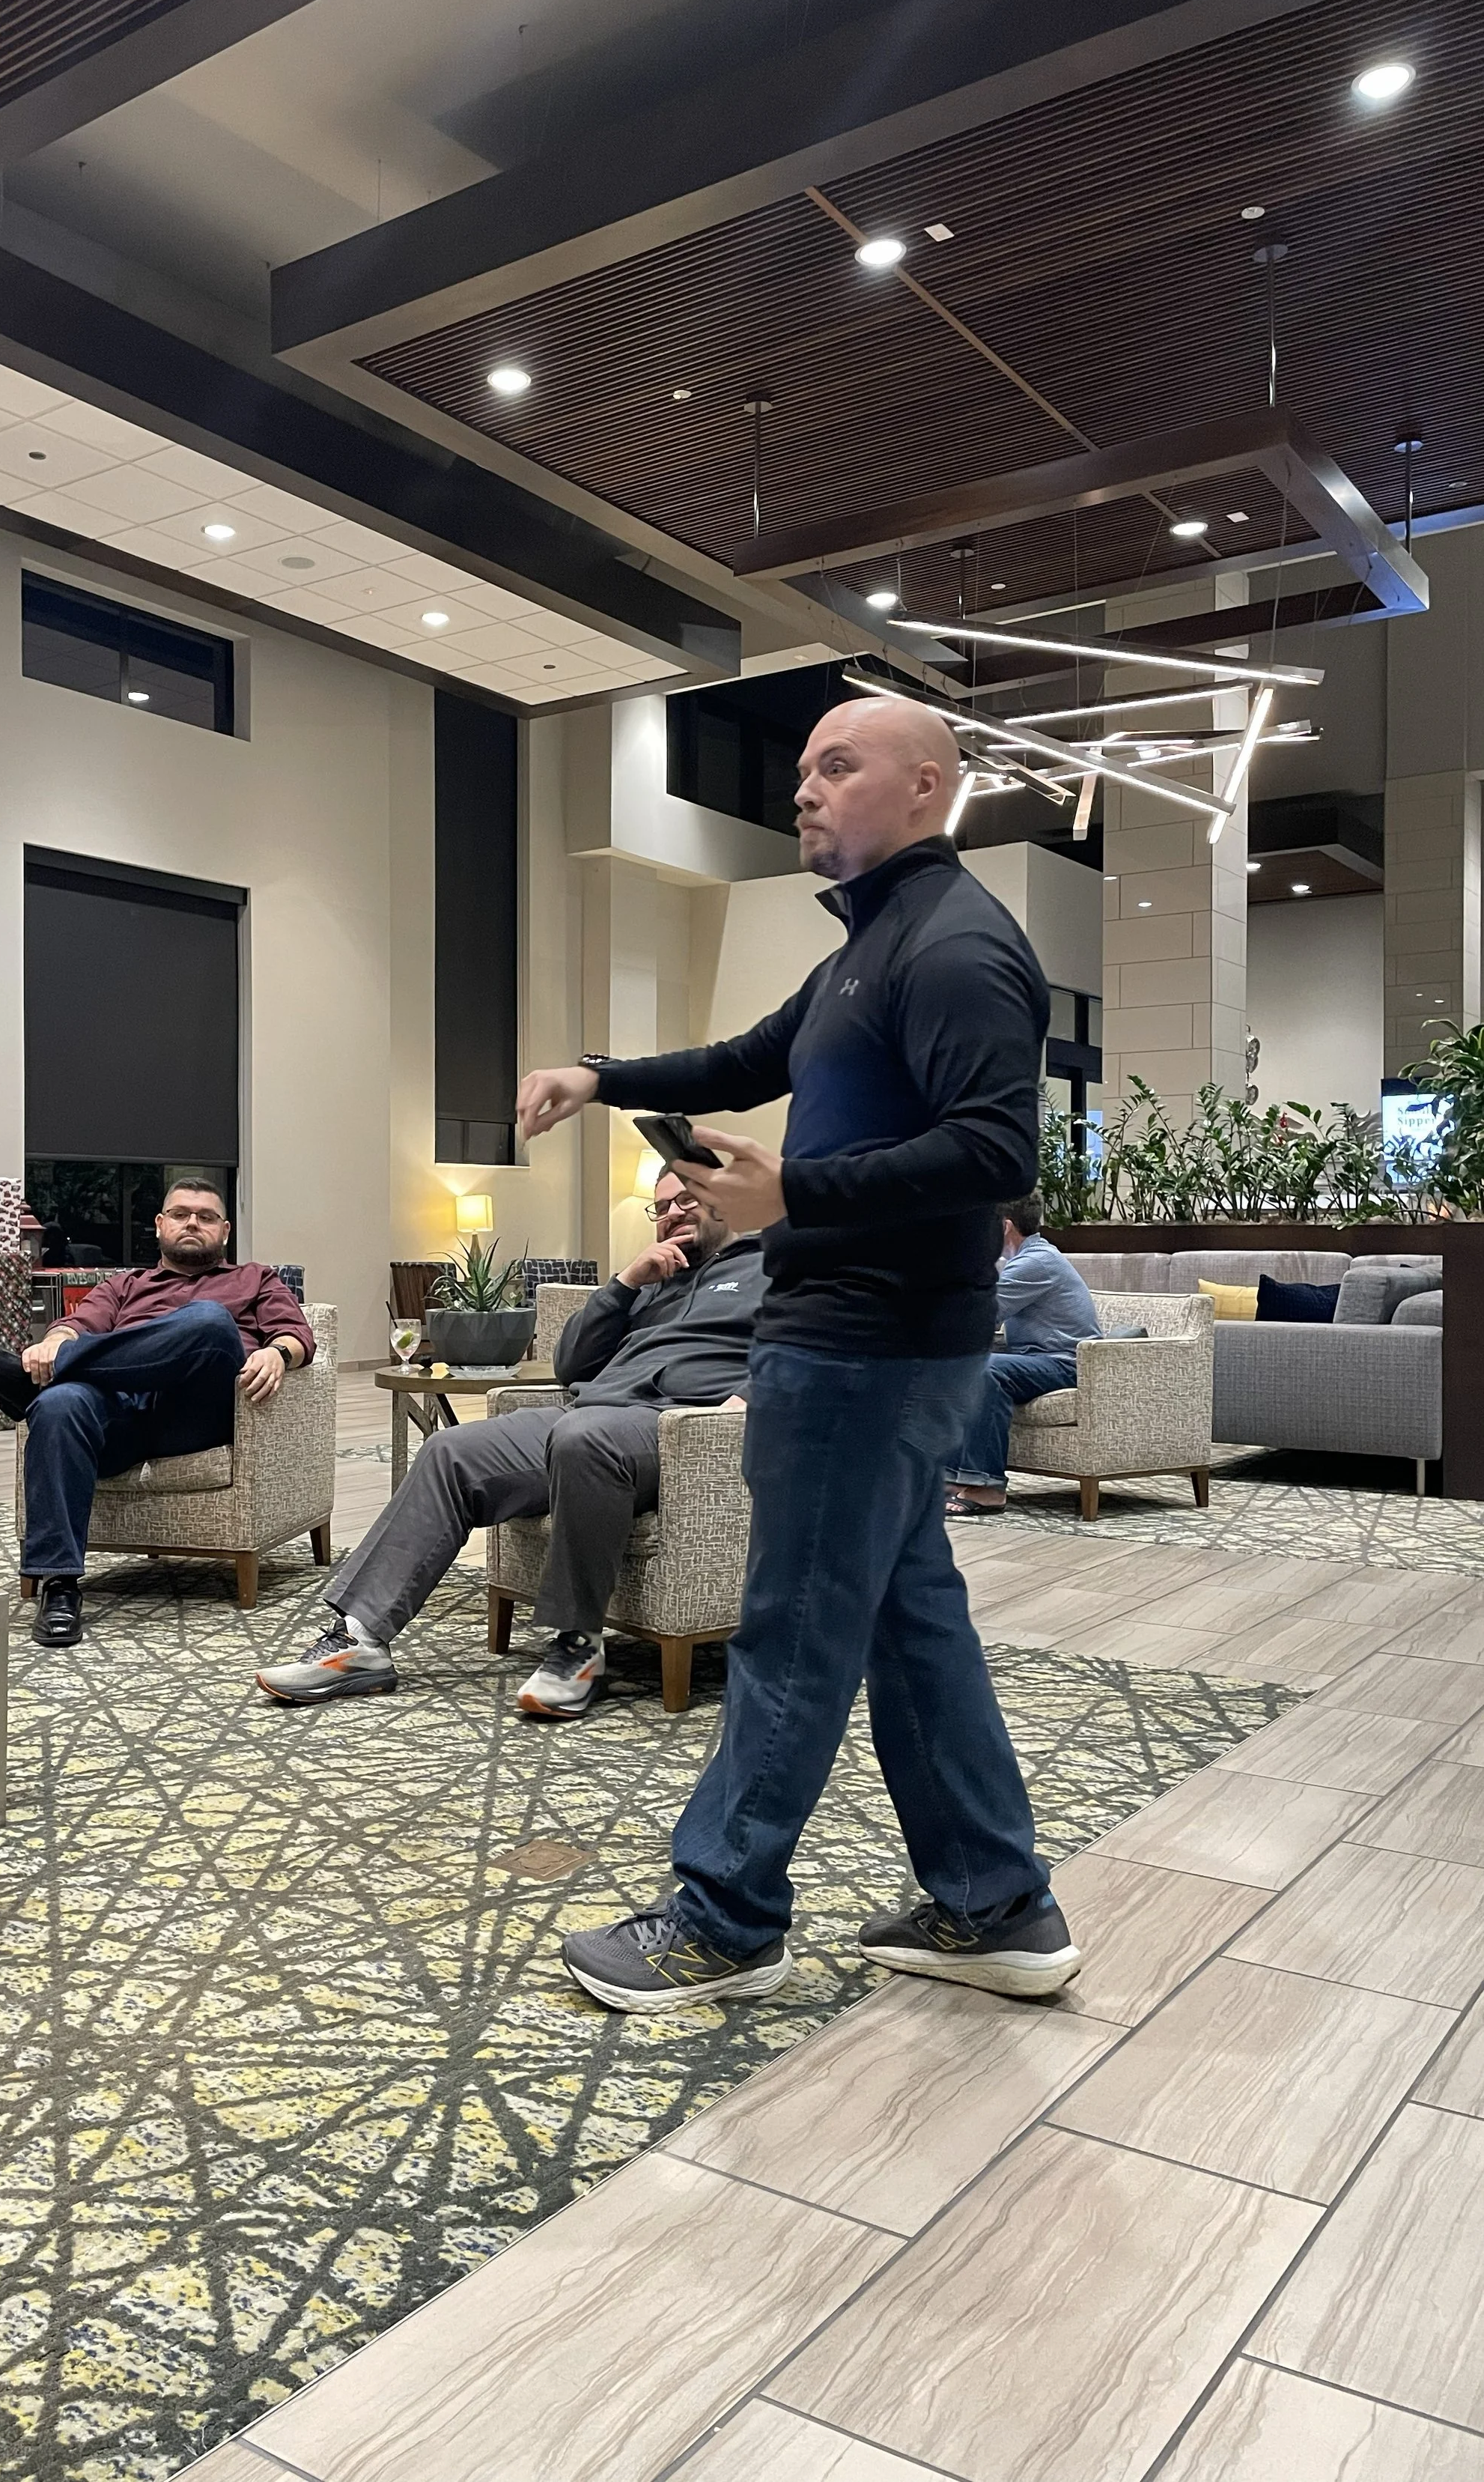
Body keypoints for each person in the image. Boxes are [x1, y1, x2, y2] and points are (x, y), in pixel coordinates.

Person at [515, 694, 1083, 2013]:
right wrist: (602, 1073)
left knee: (794, 1627)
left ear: (928, 785)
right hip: (861, 1341)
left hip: (870, 1344)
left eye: (840, 766)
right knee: (906, 1618)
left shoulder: (954, 946)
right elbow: (742, 1057)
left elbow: (1000, 1154)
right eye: (805, 770)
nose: (806, 790)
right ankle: (998, 1902)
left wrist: (798, 1198)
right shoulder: (863, 950)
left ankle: (725, 1918)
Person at [255, 1173, 764, 1717]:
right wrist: (624, 1282)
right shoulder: (656, 1280)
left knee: (581, 1436)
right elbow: (571, 1364)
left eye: (685, 1199)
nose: (672, 1214)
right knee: (450, 1451)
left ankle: (578, 1646)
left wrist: (749, 1400)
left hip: (678, 1429)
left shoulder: (775, 1267)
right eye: (660, 1206)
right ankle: (360, 1639)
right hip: (588, 1412)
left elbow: (822, 1347)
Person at [0, 1178, 314, 1647]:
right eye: (181, 1214)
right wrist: (54, 1345)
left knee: (208, 1321)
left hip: (197, 1414)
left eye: (205, 1218)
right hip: (119, 1417)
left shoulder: (255, 1278)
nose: (192, 1224)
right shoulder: (124, 1286)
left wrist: (278, 1354)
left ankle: (23, 1385)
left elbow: (298, 1335)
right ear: (161, 1225)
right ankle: (58, 1586)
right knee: (60, 1404)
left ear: (223, 1232)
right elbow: (75, 1326)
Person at [946, 1195, 1102, 1517]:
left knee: (983, 1370)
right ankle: (952, 1478)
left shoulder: (1036, 1263)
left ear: (1004, 1227)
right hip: (1037, 1359)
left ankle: (988, 1488)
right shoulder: (1026, 1260)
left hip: (1066, 1363)